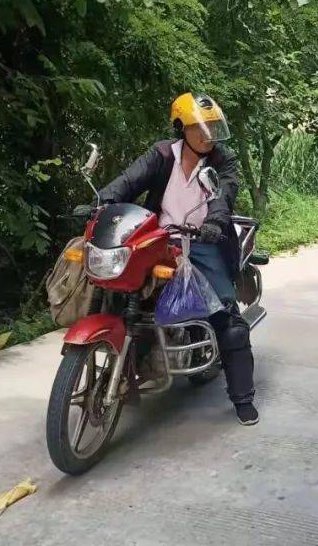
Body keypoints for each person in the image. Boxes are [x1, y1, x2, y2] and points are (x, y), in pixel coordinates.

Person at [98, 92, 259, 426]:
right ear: (180, 127)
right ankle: (125, 363)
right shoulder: (161, 154)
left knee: (227, 320)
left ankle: (243, 398)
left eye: (212, 127)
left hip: (202, 239)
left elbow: (224, 194)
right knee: (120, 292)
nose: (207, 135)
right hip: (156, 237)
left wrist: (214, 222)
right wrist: (102, 201)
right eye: (199, 128)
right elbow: (129, 180)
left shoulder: (222, 160)